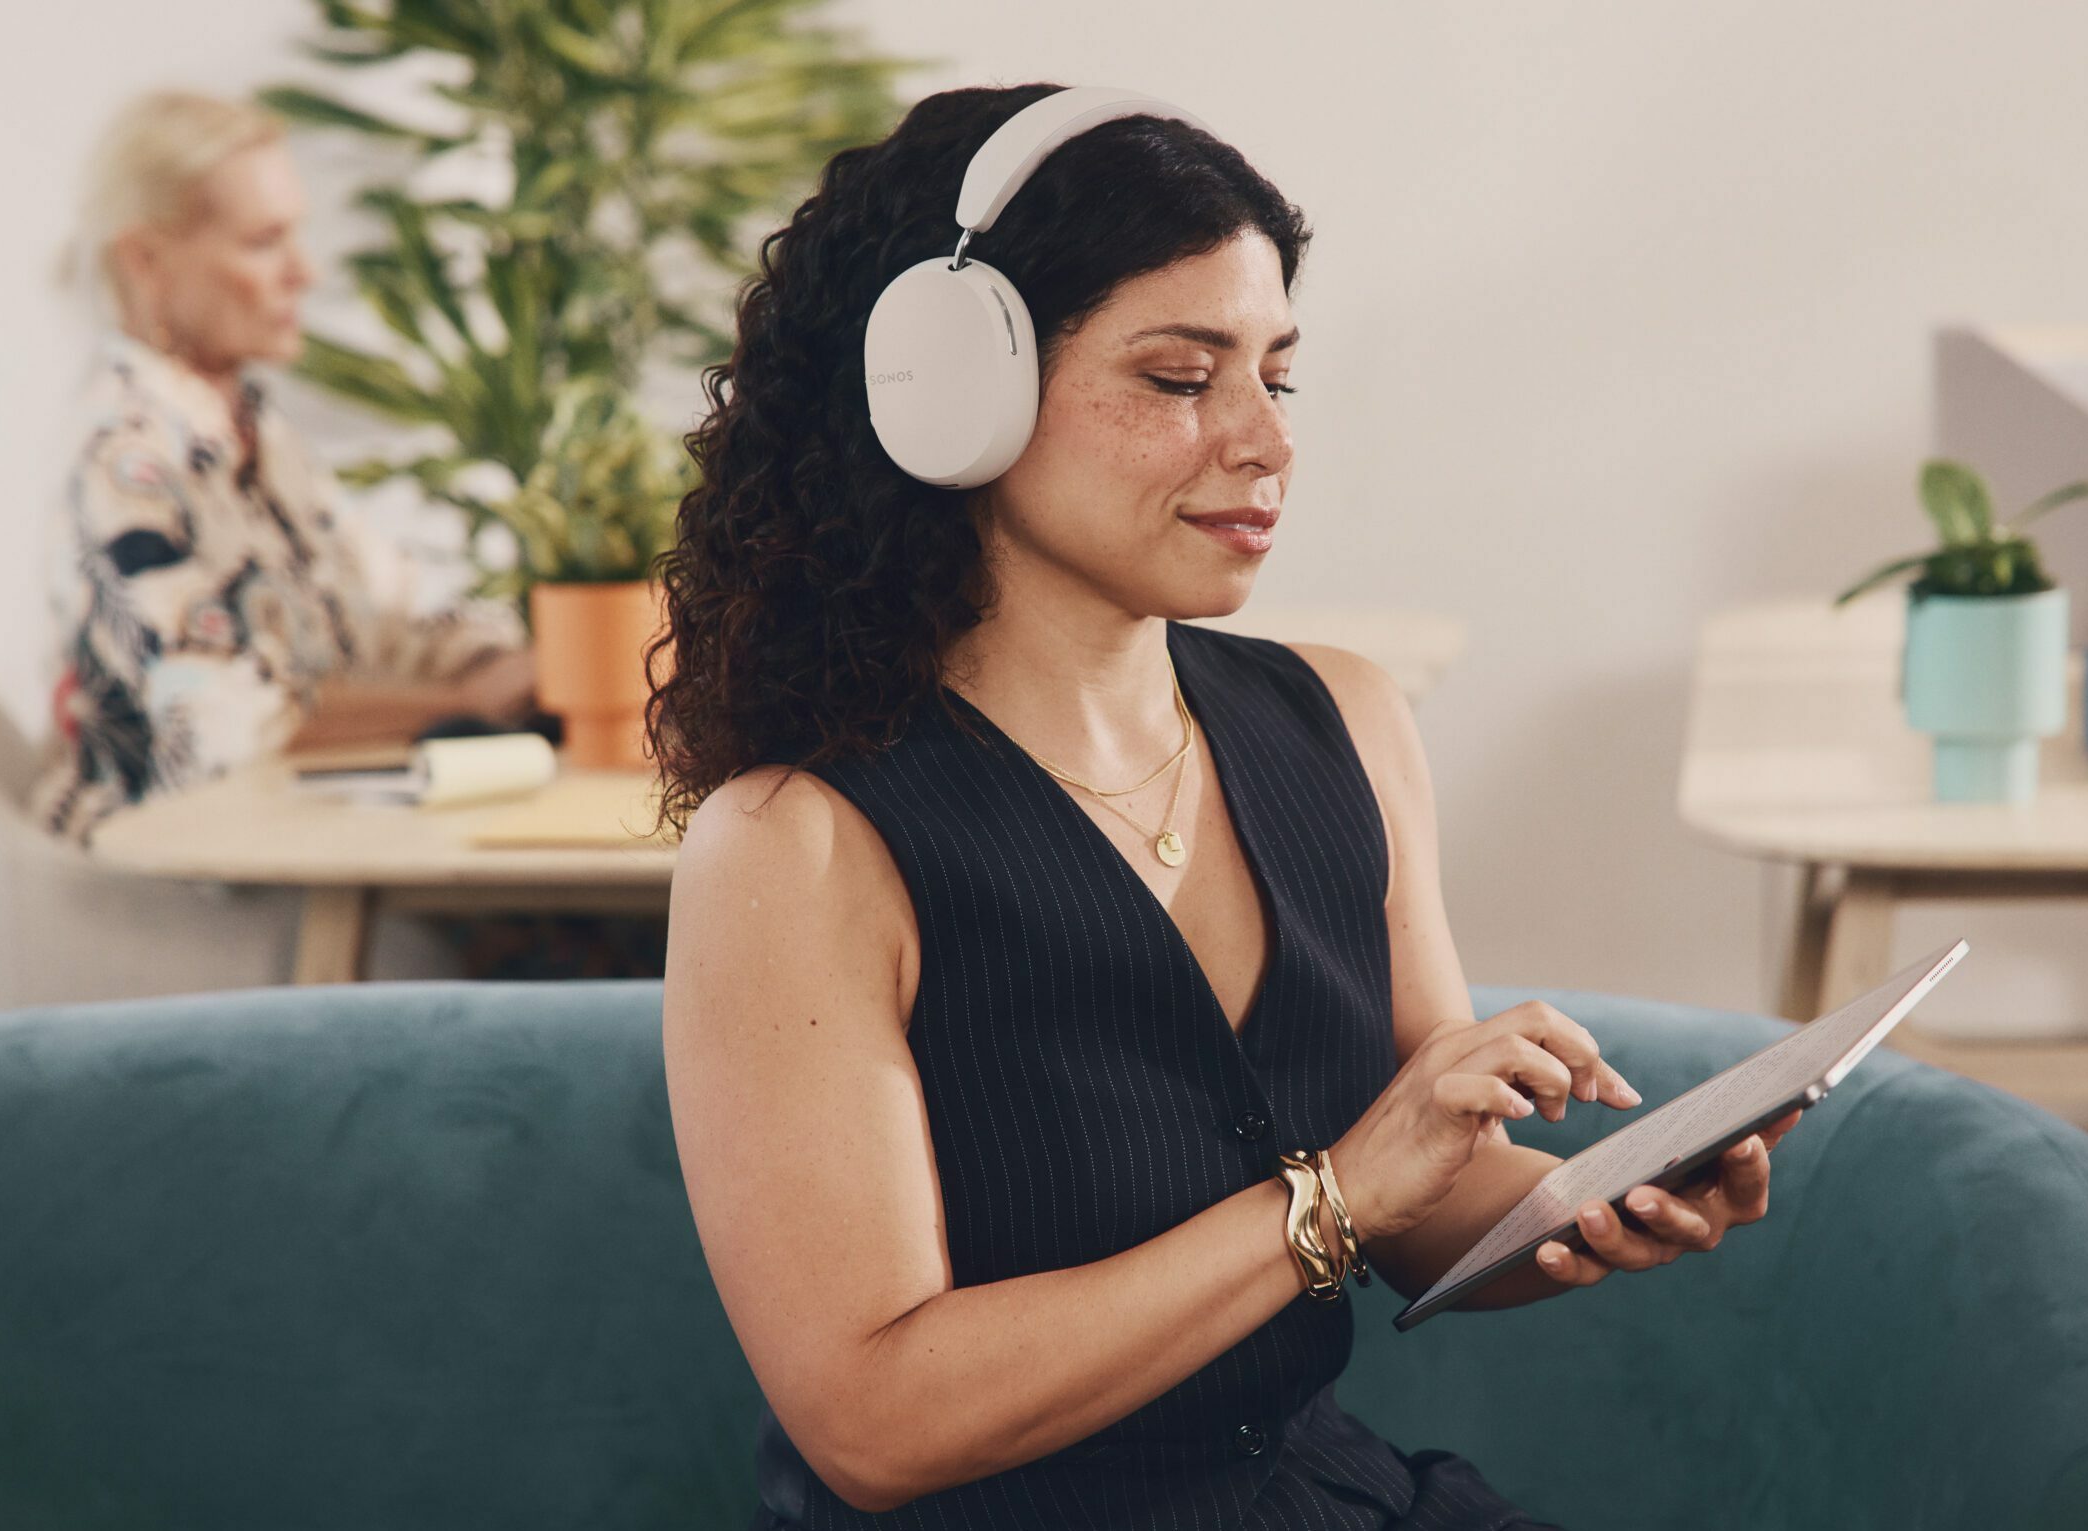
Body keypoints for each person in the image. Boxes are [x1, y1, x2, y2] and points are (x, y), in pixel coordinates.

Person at [650, 84, 1803, 1531]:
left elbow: (1424, 1197)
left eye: (1279, 374)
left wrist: (1587, 1205)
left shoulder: (1347, 724)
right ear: (955, 395)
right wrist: (1330, 1196)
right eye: (1183, 379)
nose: (1266, 441)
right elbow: (875, 1421)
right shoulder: (800, 844)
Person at [31, 89, 538, 847]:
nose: (304, 271)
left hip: (300, 837)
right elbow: (227, 728)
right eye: (265, 241)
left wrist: (530, 665)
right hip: (192, 876)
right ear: (146, 261)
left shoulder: (254, 431)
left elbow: (395, 615)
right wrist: (468, 698)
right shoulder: (126, 458)